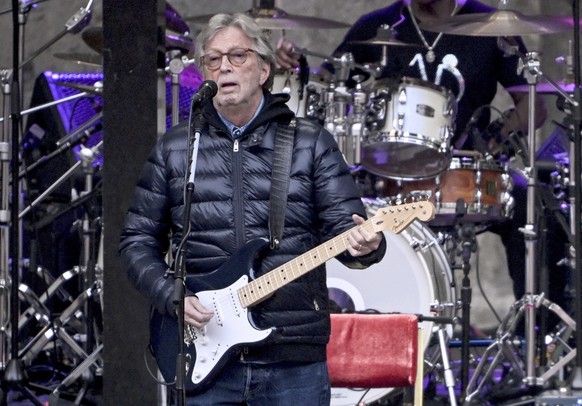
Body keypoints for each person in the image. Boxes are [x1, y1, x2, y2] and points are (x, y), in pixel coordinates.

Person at [119, 12, 386, 405]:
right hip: (204, 357)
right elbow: (136, 241)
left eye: (237, 56)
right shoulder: (177, 147)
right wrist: (169, 294)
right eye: (213, 59)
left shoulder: (310, 143)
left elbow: (345, 232)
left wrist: (365, 247)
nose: (224, 66)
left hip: (292, 358)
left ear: (263, 70)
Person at [277, 0, 571, 330]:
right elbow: (328, 86)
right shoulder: (377, 25)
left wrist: (490, 142)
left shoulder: (493, 25)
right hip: (385, 178)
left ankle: (536, 337)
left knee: (534, 205)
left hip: (463, 171)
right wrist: (296, 69)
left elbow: (533, 107)